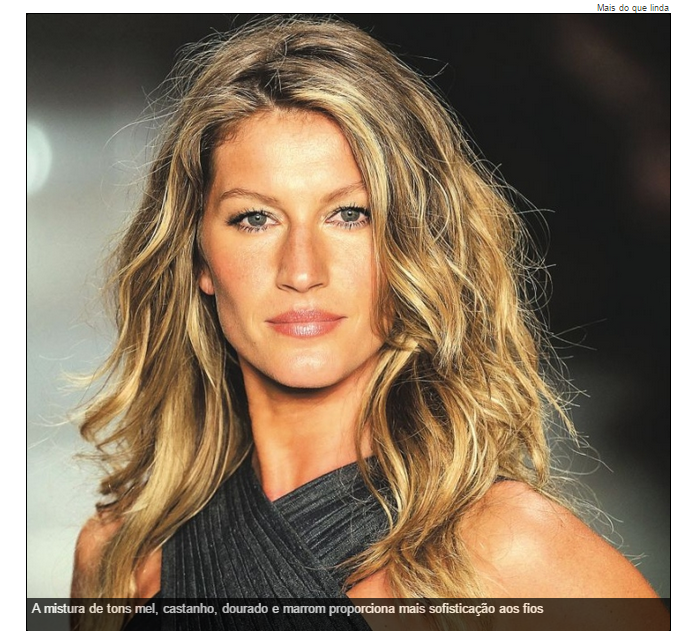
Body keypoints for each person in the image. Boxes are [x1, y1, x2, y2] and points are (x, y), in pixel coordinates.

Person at [70, 15, 664, 630]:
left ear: (412, 246)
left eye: (350, 214)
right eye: (255, 219)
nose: (302, 270)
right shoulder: (118, 559)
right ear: (200, 259)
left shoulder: (509, 553)